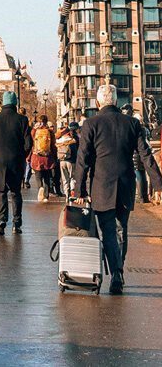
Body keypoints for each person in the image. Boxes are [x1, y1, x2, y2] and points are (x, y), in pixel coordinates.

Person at [75, 84, 162, 294]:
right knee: (122, 229)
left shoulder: (91, 123)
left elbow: (82, 159)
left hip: (101, 185)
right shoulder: (132, 123)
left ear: (98, 102)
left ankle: (116, 273)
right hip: (125, 184)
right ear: (115, 100)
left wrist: (79, 191)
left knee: (108, 232)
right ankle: (118, 271)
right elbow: (146, 155)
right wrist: (158, 184)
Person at [0, 90, 31, 235]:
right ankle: (16, 224)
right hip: (16, 160)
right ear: (15, 103)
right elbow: (28, 143)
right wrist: (22, 155)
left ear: (3, 103)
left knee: (0, 192)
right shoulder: (22, 120)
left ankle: (1, 222)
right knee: (16, 192)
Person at [30, 114, 57, 202]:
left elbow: (30, 144)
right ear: (46, 121)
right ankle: (46, 196)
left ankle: (40, 187)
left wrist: (28, 156)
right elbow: (53, 145)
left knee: (38, 176)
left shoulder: (34, 131)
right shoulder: (50, 132)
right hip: (47, 157)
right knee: (47, 177)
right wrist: (54, 155)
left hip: (36, 156)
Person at [56, 119, 79, 198]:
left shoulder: (59, 140)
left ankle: (66, 194)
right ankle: (72, 190)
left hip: (61, 161)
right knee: (72, 177)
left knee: (64, 179)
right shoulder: (73, 140)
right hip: (71, 161)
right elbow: (76, 151)